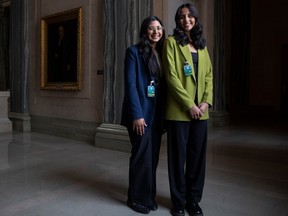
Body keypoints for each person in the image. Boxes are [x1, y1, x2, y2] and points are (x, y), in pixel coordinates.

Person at [162, 3, 213, 216]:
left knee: (197, 159)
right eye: (182, 16)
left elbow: (209, 75)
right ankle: (179, 202)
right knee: (177, 158)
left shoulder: (201, 45)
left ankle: (193, 201)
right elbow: (171, 77)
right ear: (177, 20)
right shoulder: (171, 43)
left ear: (195, 19)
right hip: (179, 112)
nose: (187, 20)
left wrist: (205, 102)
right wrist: (189, 105)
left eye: (190, 16)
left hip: (201, 112)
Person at [121, 16, 166, 214]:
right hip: (140, 114)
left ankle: (148, 196)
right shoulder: (133, 52)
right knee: (141, 157)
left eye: (159, 28)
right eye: (151, 28)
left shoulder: (163, 53)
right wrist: (137, 115)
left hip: (157, 115)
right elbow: (130, 85)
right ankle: (136, 199)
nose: (155, 31)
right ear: (144, 31)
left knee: (153, 158)